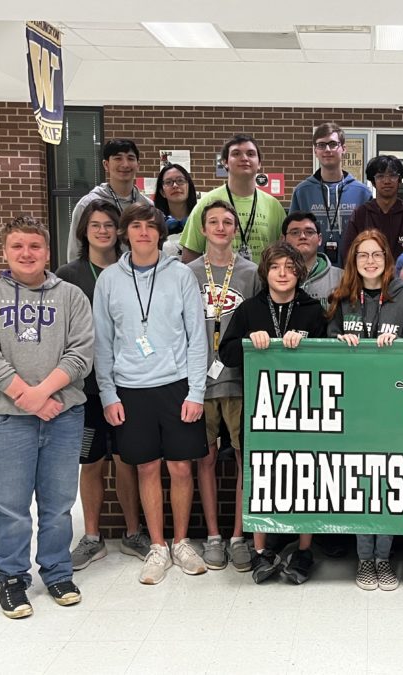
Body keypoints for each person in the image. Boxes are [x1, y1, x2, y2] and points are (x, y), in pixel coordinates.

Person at [0, 215, 93, 619]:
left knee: (57, 504)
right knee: (11, 505)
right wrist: (32, 399)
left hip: (64, 416)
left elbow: (81, 354)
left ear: (47, 252)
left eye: (34, 246)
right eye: (17, 246)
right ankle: (12, 578)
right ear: (4, 252)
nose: (26, 254)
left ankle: (56, 571)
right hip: (6, 419)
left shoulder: (71, 296)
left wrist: (42, 395)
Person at [93, 203, 209, 585]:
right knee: (145, 467)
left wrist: (196, 392)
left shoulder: (180, 276)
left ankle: (180, 542)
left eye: (150, 226)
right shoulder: (109, 279)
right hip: (130, 387)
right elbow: (103, 342)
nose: (143, 232)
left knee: (180, 467)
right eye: (136, 226)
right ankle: (157, 546)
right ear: (126, 233)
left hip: (176, 385)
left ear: (161, 233)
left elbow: (196, 338)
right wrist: (108, 394)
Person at [218, 242, 328, 584]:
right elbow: (227, 353)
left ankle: (304, 548)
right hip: (262, 409)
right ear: (265, 273)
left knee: (306, 475)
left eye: (290, 268)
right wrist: (252, 339)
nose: (283, 273)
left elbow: (330, 354)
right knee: (263, 473)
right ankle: (262, 547)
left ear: (299, 273)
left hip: (305, 407)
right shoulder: (250, 309)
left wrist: (307, 343)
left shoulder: (312, 310)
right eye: (276, 267)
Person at [56, 200, 150, 571]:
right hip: (84, 385)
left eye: (110, 224)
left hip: (127, 380)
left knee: (127, 459)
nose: (102, 231)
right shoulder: (68, 274)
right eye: (95, 225)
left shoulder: (133, 271)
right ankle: (92, 536)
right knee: (92, 460)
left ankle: (132, 532)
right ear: (84, 230)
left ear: (120, 230)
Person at [327, 230, 403, 591]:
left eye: (376, 254)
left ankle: (384, 557)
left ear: (386, 259)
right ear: (354, 260)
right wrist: (339, 340)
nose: (370, 261)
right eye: (363, 255)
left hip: (393, 405)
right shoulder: (341, 298)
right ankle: (365, 559)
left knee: (389, 481)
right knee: (361, 482)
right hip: (354, 405)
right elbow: (324, 344)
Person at [187, 200, 260, 572]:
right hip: (197, 382)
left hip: (237, 380)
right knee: (206, 459)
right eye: (212, 221)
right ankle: (214, 536)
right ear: (202, 229)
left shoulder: (250, 273)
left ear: (235, 229)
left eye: (227, 222)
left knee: (245, 459)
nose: (220, 227)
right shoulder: (186, 273)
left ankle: (238, 536)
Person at [179, 134, 286, 263]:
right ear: (225, 162)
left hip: (262, 282)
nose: (244, 158)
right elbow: (190, 254)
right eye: (236, 154)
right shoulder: (207, 203)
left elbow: (283, 253)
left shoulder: (274, 206)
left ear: (259, 163)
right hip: (217, 282)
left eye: (251, 154)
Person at [289, 122, 372, 266]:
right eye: (321, 145)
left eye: (333, 144)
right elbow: (293, 235)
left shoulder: (362, 193)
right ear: (315, 151)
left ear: (343, 148)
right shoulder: (302, 192)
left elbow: (370, 237)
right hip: (312, 270)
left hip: (353, 271)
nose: (327, 149)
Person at [66, 139, 152, 261]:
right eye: (118, 158)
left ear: (138, 164)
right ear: (106, 165)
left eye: (131, 158)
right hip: (97, 276)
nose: (125, 164)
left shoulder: (147, 206)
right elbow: (76, 249)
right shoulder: (88, 204)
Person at [341, 155, 403, 260]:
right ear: (373, 182)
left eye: (392, 175)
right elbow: (349, 254)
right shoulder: (360, 215)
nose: (387, 181)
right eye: (380, 176)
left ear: (400, 180)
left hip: (400, 276)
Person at [283, 211, 342, 307]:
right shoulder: (274, 278)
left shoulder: (342, 278)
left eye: (309, 232)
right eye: (295, 232)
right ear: (283, 239)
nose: (302, 236)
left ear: (319, 239)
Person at [154, 163, 198, 257]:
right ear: (162, 192)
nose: (175, 185)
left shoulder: (201, 219)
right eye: (168, 182)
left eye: (180, 181)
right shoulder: (155, 223)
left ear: (188, 187)